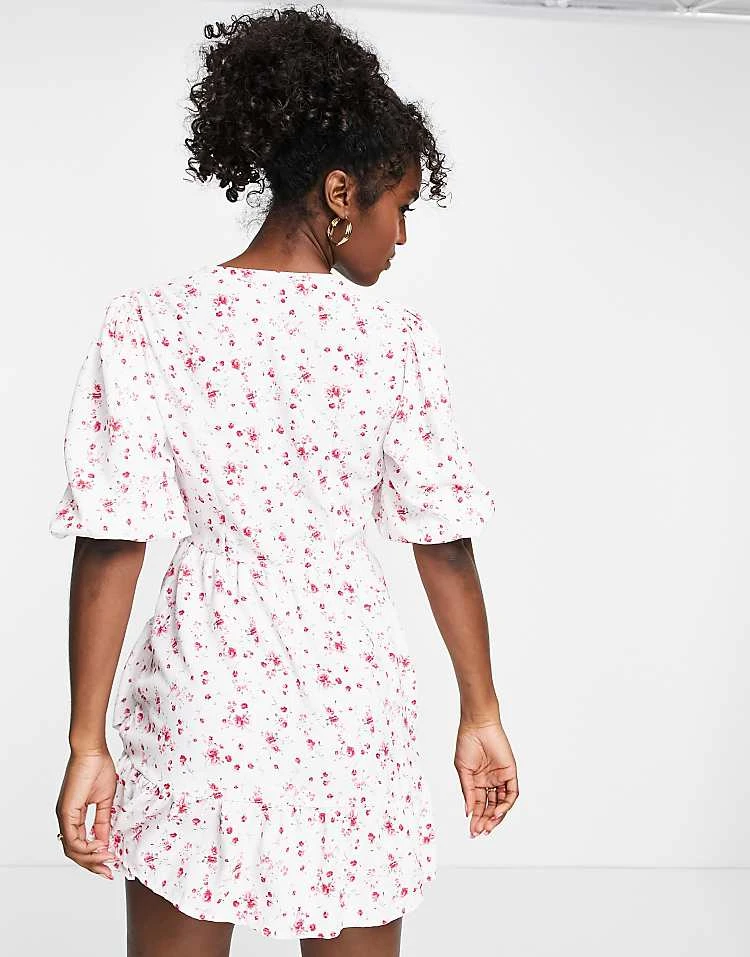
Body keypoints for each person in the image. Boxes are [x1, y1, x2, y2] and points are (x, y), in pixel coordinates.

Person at [49, 5, 518, 955]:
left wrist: (87, 741)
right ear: (341, 193)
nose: (402, 234)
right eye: (400, 205)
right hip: (351, 689)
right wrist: (482, 710)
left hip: (202, 681)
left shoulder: (153, 321)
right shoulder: (394, 340)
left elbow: (112, 538)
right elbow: (443, 541)